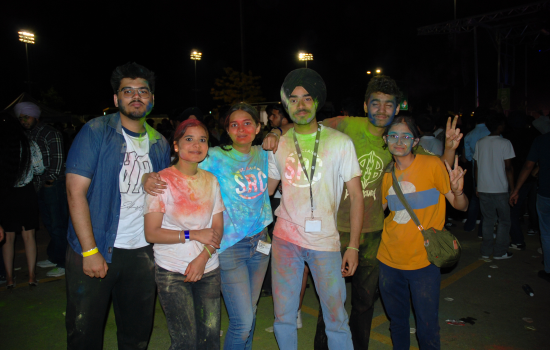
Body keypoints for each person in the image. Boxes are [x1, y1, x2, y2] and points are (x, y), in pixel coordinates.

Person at [263, 74, 461, 350]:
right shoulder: (346, 126)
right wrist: (274, 133)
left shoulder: (398, 139)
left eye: (388, 105)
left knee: (364, 302)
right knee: (330, 304)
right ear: (366, 106)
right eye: (376, 103)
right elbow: (305, 125)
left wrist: (450, 148)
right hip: (333, 228)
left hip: (373, 231)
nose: (382, 110)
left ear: (397, 108)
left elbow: (434, 168)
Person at [64, 62, 171, 349]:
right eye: (128, 91)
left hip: (141, 253)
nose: (136, 97)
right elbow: (75, 193)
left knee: (136, 334)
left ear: (151, 99)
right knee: (84, 333)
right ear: (116, 99)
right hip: (96, 246)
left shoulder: (159, 143)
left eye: (143, 91)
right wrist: (89, 251)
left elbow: (163, 200)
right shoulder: (96, 131)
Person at [267, 68, 364, 349]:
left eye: (307, 98)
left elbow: (357, 197)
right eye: (294, 99)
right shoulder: (279, 145)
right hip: (285, 240)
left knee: (336, 316)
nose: (301, 105)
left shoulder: (339, 142)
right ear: (287, 105)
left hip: (326, 243)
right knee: (283, 315)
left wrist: (353, 246)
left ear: (317, 102)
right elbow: (266, 191)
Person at [379, 116, 468, 350]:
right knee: (397, 322)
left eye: (406, 136)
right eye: (393, 136)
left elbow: (462, 206)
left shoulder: (432, 166)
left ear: (415, 141)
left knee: (427, 326)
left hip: (424, 263)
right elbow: (378, 211)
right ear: (385, 140)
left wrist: (458, 192)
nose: (399, 141)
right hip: (388, 260)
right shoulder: (386, 175)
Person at [144, 119, 225, 350]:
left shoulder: (211, 181)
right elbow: (151, 233)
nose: (196, 145)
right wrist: (193, 234)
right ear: (176, 145)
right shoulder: (161, 181)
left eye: (203, 140)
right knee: (185, 341)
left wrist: (203, 257)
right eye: (189, 139)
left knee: (210, 338)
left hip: (208, 268)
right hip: (172, 271)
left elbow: (217, 227)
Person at [16, 101, 68, 278]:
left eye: (26, 117)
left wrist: (50, 180)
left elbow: (58, 158)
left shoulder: (50, 133)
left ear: (35, 116)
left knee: (58, 223)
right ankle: (55, 257)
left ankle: (64, 262)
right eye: (21, 118)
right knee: (48, 224)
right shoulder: (27, 135)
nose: (23, 120)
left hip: (53, 185)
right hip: (38, 186)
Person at [0, 112, 44, 287]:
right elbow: (39, 169)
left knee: (8, 239)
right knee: (29, 237)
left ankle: (10, 279)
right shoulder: (29, 144)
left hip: (6, 195)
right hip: (26, 193)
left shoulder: (2, 147)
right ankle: (32, 276)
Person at [510, 131, 550, 282]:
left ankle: (548, 268)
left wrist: (516, 189)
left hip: (546, 192)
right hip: (544, 191)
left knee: (546, 233)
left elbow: (528, 166)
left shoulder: (542, 140)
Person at [474, 114, 515, 260]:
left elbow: (477, 166)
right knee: (504, 221)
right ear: (499, 126)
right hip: (500, 189)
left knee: (488, 220)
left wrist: (477, 185)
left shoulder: (480, 142)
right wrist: (513, 188)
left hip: (484, 188)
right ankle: (500, 252)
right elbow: (508, 168)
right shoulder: (505, 143)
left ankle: (485, 251)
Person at [462, 107, 491, 234]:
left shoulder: (469, 135)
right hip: (492, 169)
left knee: (475, 197)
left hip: (476, 169)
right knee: (488, 200)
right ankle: (483, 230)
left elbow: (467, 157)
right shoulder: (493, 132)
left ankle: (470, 225)